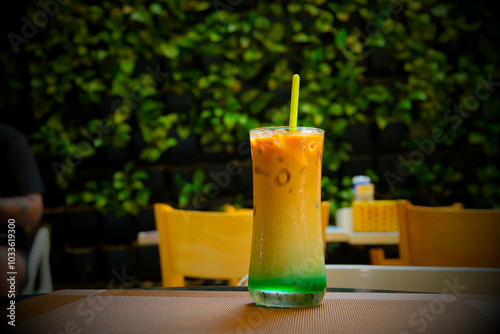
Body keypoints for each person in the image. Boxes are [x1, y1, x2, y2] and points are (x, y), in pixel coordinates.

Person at [0, 123, 44, 296]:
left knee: (2, 263)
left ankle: (10, 320)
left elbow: (34, 210)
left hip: (7, 246)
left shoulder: (8, 139)